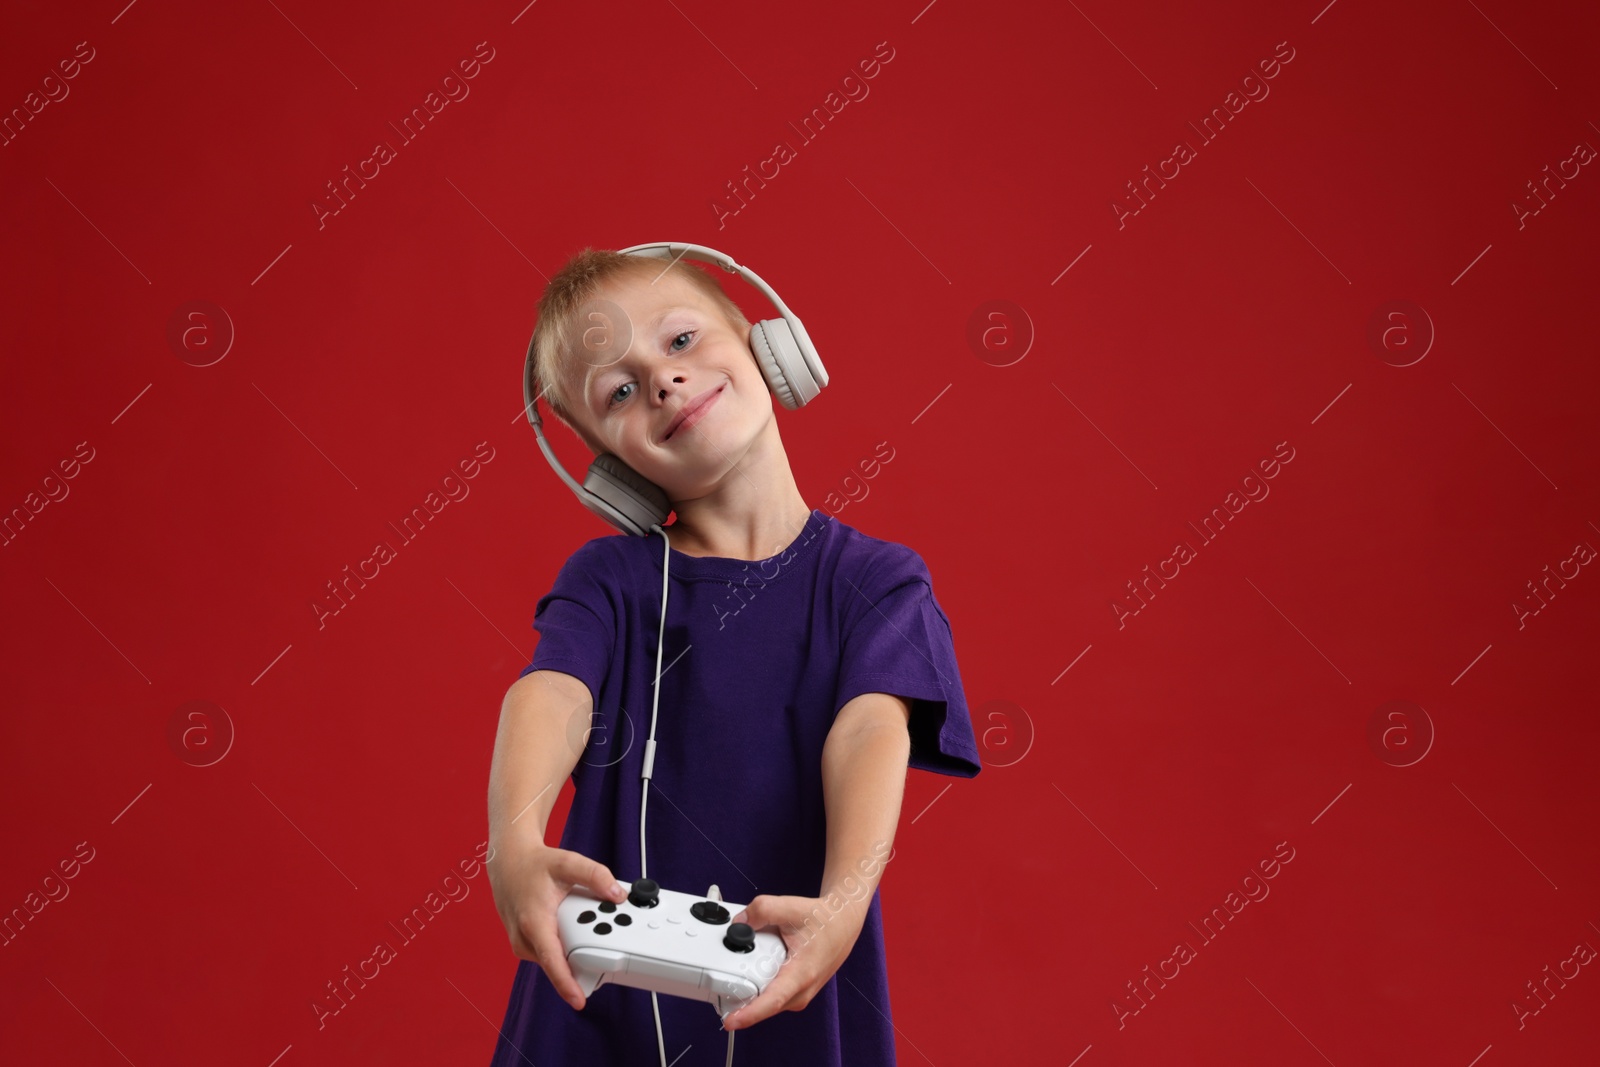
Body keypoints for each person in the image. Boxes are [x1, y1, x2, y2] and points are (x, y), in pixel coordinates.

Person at [486, 247, 981, 1066]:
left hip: (797, 982)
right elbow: (551, 691)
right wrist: (514, 841)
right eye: (618, 390)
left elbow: (870, 730)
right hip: (601, 1011)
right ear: (610, 470)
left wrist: (846, 899)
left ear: (768, 345)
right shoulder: (612, 580)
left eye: (680, 341)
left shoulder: (877, 581)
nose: (662, 382)